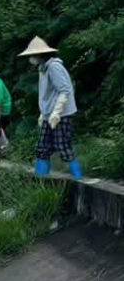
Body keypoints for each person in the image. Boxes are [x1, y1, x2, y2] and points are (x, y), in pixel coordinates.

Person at [19, 36, 81, 179]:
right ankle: (40, 181)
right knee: (42, 147)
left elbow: (65, 89)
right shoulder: (43, 68)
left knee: (62, 146)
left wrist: (56, 112)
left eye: (32, 55)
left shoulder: (54, 66)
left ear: (40, 54)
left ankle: (78, 178)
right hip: (48, 114)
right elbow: (47, 95)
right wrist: (44, 114)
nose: (30, 58)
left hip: (62, 114)